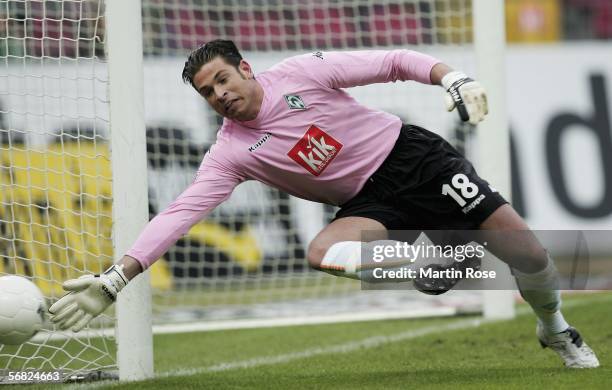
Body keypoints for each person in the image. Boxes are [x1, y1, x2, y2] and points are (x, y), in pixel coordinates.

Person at [49, 39, 598, 368]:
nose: (219, 95)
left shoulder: (301, 74)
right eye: (207, 92)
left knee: (529, 256)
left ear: (245, 69)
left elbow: (391, 61)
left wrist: (451, 77)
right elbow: (178, 214)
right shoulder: (230, 155)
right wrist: (116, 278)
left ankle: (554, 327)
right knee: (323, 252)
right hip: (368, 202)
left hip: (416, 160)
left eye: (221, 79)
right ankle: (435, 262)